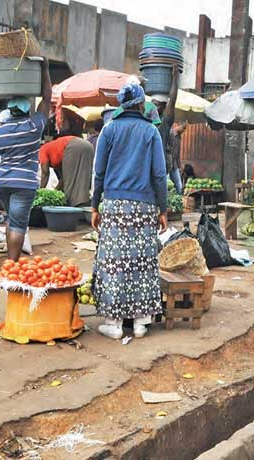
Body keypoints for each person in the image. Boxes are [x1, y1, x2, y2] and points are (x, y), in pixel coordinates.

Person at [91, 81, 167, 340]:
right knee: (142, 261)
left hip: (114, 205)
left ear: (121, 104)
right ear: (141, 103)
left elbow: (98, 172)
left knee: (114, 263)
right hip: (145, 206)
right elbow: (159, 174)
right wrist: (163, 209)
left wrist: (94, 206)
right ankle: (140, 323)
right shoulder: (150, 132)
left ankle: (113, 322)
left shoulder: (109, 130)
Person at [0, 59, 52, 262]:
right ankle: (12, 265)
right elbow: (47, 99)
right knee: (18, 224)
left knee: (11, 219)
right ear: (26, 110)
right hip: (23, 184)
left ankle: (9, 261)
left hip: (3, 182)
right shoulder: (33, 127)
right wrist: (45, 69)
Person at [167, 120, 186, 194]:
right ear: (178, 125)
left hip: (174, 165)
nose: (184, 130)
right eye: (183, 128)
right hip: (167, 164)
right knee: (167, 186)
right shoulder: (169, 134)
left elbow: (178, 153)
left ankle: (179, 202)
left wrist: (180, 166)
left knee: (179, 186)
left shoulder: (179, 137)